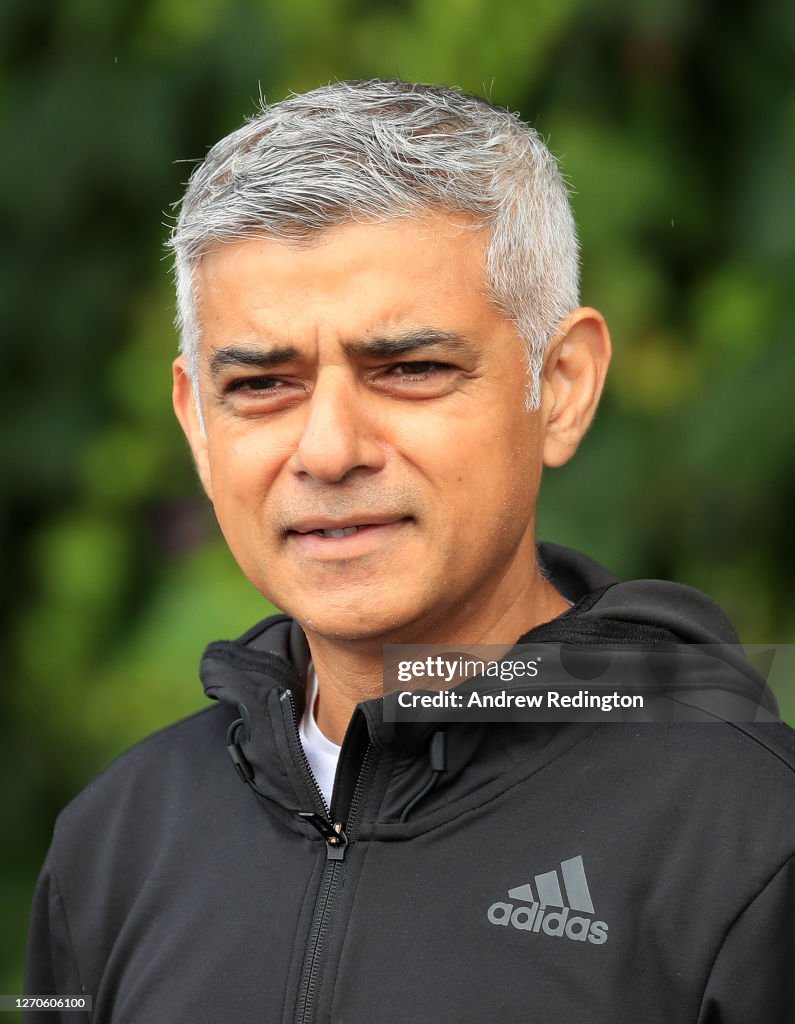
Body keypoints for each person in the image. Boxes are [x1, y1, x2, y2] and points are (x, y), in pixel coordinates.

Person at [25, 79, 794, 1023]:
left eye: (410, 370)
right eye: (264, 383)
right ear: (195, 421)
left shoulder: (751, 839)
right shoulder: (113, 847)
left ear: (559, 388)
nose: (329, 449)